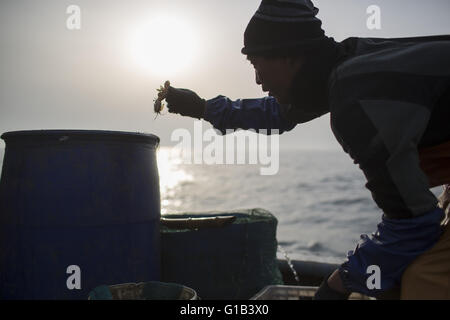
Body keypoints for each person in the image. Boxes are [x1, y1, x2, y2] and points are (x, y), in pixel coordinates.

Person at [162, 0, 450, 299]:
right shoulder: (346, 64)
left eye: (256, 63)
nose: (258, 80)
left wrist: (337, 284)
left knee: (423, 279)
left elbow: (414, 223)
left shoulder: (355, 98)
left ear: (288, 55)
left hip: (417, 219)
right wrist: (203, 108)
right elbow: (281, 113)